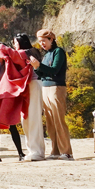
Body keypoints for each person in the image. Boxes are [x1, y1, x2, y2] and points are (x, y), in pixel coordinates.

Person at [0, 34, 43, 161]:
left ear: (21, 42)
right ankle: (32, 150)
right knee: (26, 118)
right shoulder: (28, 52)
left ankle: (38, 151)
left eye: (15, 43)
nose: (14, 46)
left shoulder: (28, 52)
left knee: (33, 118)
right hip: (28, 86)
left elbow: (14, 55)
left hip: (34, 85)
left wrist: (2, 47)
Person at [31, 29, 73, 160]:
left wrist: (39, 66)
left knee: (59, 119)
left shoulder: (58, 52)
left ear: (51, 39)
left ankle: (66, 152)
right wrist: (36, 68)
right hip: (45, 87)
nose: (42, 44)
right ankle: (55, 150)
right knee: (50, 121)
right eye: (40, 41)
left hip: (57, 87)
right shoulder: (46, 55)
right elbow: (43, 74)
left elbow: (54, 70)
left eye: (44, 41)